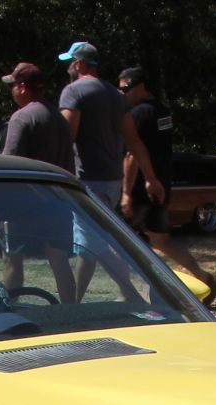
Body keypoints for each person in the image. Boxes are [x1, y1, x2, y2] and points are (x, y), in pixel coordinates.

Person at [57, 41, 160, 300]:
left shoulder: (73, 92)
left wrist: (54, 174)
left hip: (87, 180)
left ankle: (131, 294)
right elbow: (133, 140)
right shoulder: (116, 95)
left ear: (79, 63)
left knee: (96, 246)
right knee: (88, 246)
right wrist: (151, 178)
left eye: (71, 62)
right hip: (113, 180)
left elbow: (66, 137)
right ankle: (75, 301)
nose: (69, 67)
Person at [119, 68, 216, 299]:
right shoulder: (162, 111)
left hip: (140, 187)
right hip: (160, 185)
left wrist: (126, 192)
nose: (122, 94)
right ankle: (202, 277)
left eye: (125, 88)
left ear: (141, 86)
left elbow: (132, 154)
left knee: (118, 242)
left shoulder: (139, 114)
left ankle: (131, 294)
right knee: (161, 240)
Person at [0, 61, 75, 300]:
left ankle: (11, 309)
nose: (12, 91)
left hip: (24, 203)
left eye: (13, 85)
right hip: (57, 200)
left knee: (12, 258)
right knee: (59, 259)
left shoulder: (21, 118)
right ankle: (71, 311)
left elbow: (9, 165)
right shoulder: (59, 118)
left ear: (22, 86)